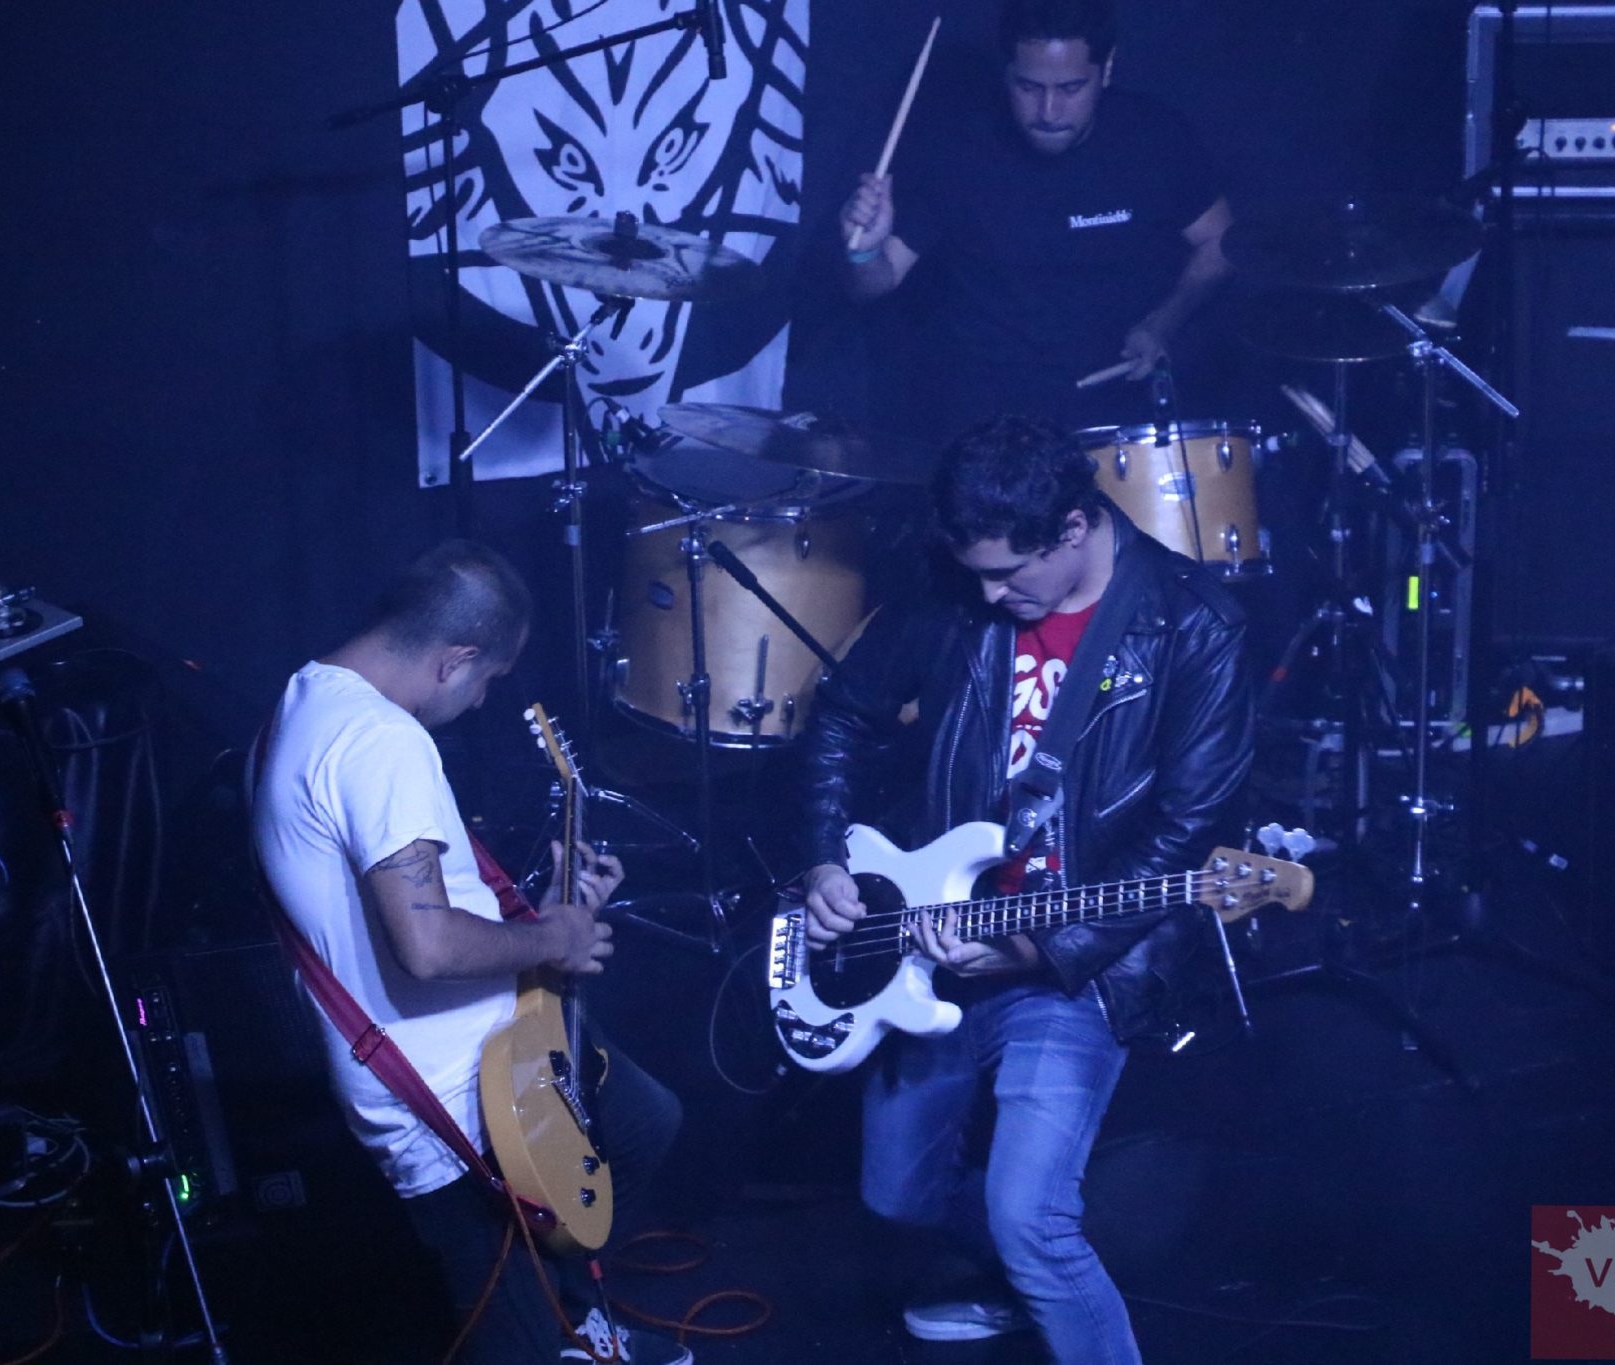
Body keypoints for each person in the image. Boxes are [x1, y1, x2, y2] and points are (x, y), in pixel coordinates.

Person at [799, 416, 1253, 1360]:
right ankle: (1017, 1278)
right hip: (932, 938)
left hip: (1076, 959)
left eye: (1009, 574)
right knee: (896, 1194)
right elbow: (842, 711)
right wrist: (827, 856)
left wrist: (1033, 948)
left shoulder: (1193, 624)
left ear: (1074, 528)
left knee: (1031, 1220)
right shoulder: (958, 592)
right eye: (977, 575)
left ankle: (1037, 1266)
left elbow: (1184, 837)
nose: (990, 594)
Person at [251, 540, 688, 1365]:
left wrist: (542, 910)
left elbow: (404, 901)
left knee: (640, 1121)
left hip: (498, 1048)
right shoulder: (382, 742)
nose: (482, 699)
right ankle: (558, 1333)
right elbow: (425, 943)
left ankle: (575, 1317)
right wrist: (555, 937)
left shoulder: (304, 699)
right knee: (508, 1331)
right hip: (453, 1098)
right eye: (486, 678)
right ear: (454, 659)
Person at [839, 0, 1233, 440]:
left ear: (1106, 68)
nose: (1048, 112)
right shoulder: (958, 150)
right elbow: (877, 283)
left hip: (1117, 423)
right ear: (1007, 71)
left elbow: (1221, 242)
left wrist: (1163, 323)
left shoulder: (1153, 140)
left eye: (1070, 88)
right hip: (987, 424)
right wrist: (864, 252)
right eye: (1029, 87)